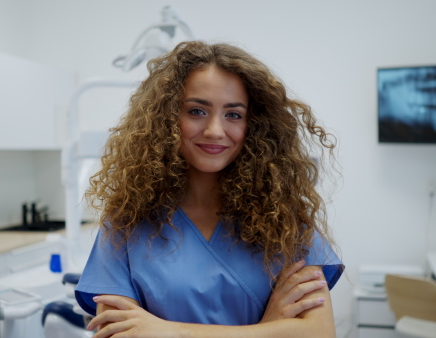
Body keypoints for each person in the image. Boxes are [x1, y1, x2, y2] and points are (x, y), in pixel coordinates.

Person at [75, 41, 344, 337]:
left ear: (253, 125)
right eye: (197, 111)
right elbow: (119, 334)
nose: (215, 130)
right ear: (166, 118)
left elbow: (319, 333)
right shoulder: (126, 223)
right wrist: (268, 330)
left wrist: (170, 332)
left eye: (233, 115)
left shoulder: (285, 221)